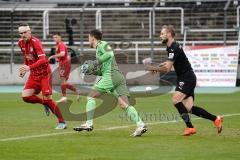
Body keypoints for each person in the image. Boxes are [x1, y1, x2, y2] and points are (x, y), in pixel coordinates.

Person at [145, 25, 223, 136]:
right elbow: (169, 64)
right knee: (189, 108)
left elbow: (167, 68)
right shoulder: (170, 47)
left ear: (169, 34)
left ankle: (190, 127)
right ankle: (216, 119)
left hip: (187, 78)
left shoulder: (174, 47)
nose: (160, 36)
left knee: (176, 100)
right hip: (186, 77)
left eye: (162, 33)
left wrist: (153, 68)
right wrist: (157, 66)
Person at [73, 29, 147, 137]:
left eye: (88, 38)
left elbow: (110, 54)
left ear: (93, 38)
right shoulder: (99, 49)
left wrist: (94, 63)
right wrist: (92, 71)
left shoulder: (103, 44)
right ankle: (141, 125)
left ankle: (89, 124)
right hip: (117, 77)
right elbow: (103, 69)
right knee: (124, 104)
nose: (88, 40)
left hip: (111, 76)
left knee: (91, 96)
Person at [18, 23, 67, 129]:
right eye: (21, 33)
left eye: (25, 32)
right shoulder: (20, 43)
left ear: (30, 31)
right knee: (26, 97)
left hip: (45, 75)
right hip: (33, 75)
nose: (23, 35)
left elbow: (43, 59)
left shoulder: (36, 43)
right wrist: (25, 68)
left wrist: (29, 67)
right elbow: (27, 58)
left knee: (48, 99)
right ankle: (43, 103)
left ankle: (62, 122)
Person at [49, 32, 79, 103]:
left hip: (64, 64)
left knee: (62, 81)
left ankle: (64, 97)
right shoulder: (58, 45)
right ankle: (76, 90)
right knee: (63, 82)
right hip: (63, 63)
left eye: (56, 37)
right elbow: (64, 54)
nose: (55, 39)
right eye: (54, 37)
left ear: (60, 37)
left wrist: (53, 56)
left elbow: (62, 54)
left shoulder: (61, 44)